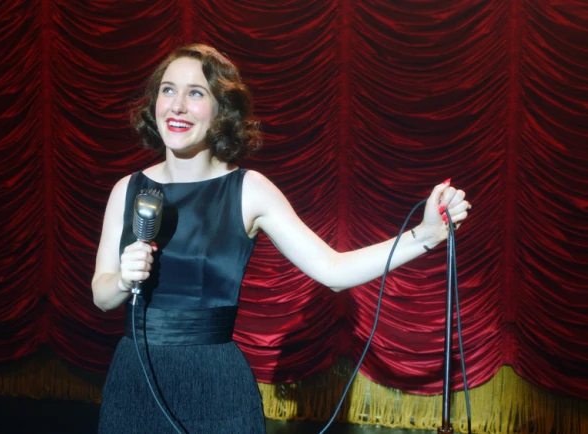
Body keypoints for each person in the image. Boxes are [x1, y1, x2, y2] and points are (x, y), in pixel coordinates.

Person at [91, 44, 470, 434]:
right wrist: (122, 280)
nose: (177, 106)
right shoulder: (127, 190)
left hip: (215, 386)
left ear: (221, 110)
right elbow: (101, 296)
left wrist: (424, 236)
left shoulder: (249, 190)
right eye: (168, 90)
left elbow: (333, 270)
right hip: (133, 385)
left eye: (196, 93)